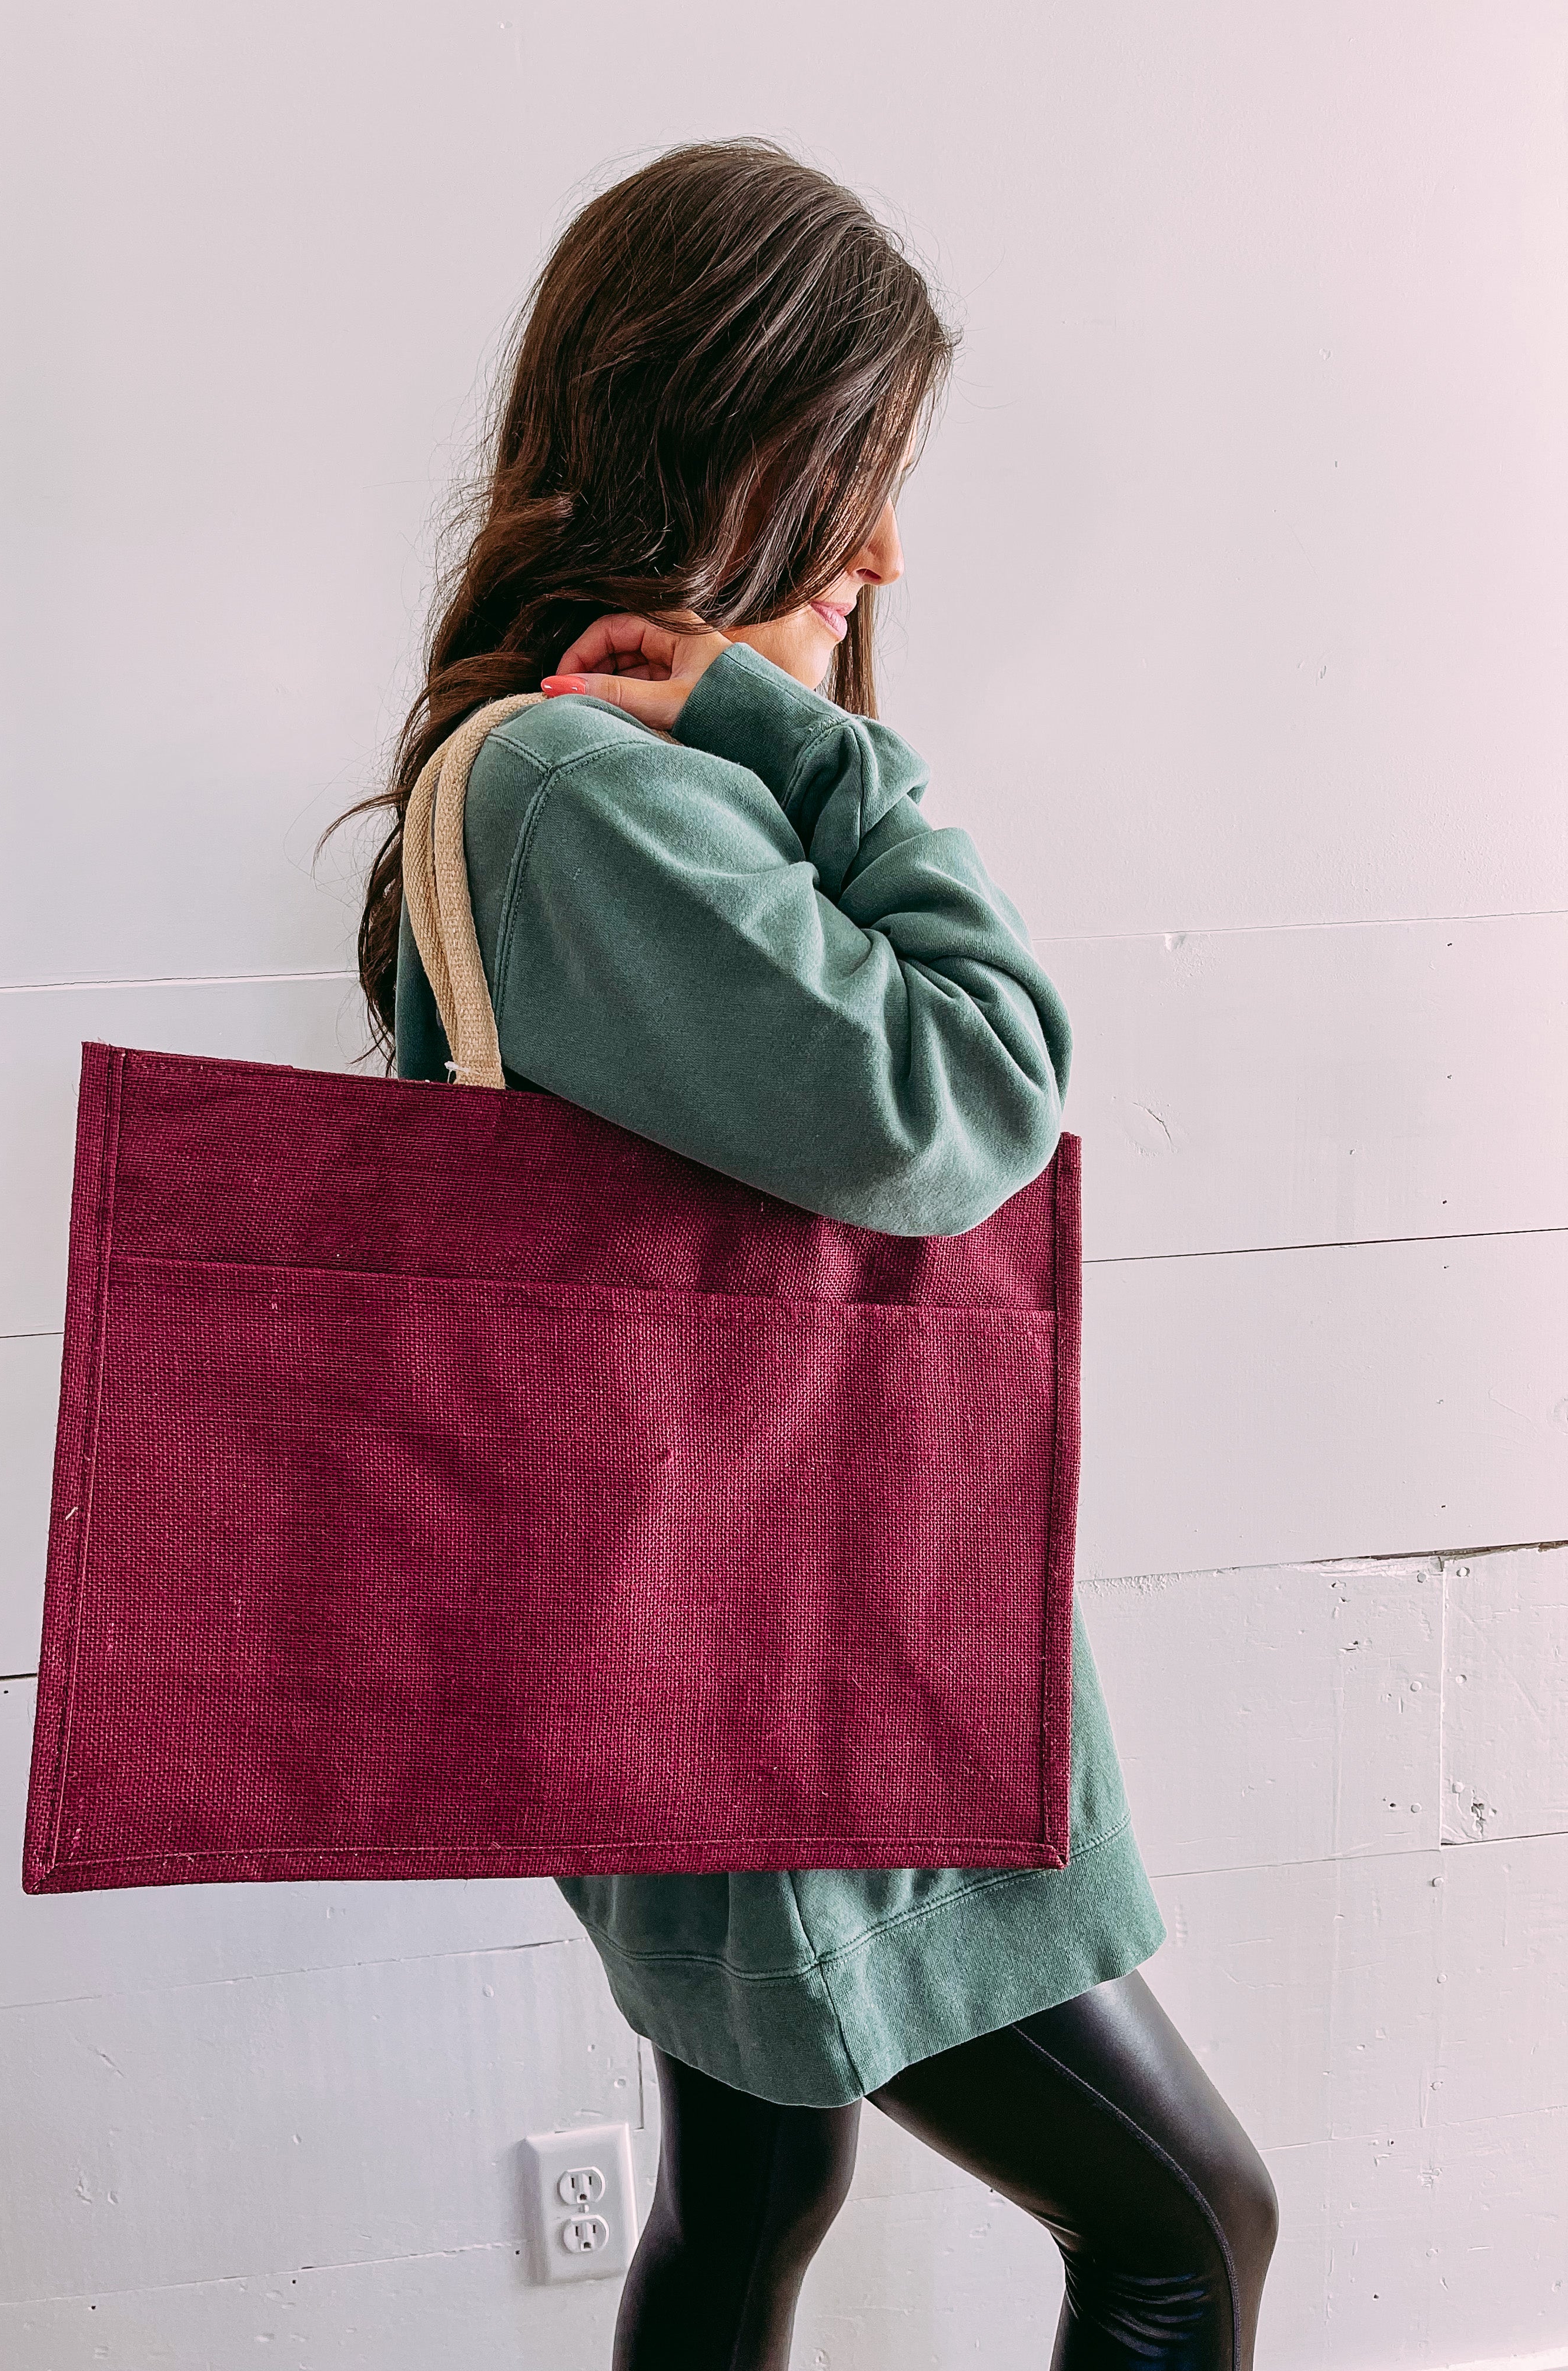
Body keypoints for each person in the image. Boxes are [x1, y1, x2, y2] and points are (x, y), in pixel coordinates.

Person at [337, 137, 1278, 2371]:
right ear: (705, 432)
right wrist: (826, 755)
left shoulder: (588, 776)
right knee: (1190, 2230)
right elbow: (970, 1100)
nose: (878, 546)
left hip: (748, 1656)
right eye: (848, 466)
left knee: (754, 2197)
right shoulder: (594, 793)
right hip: (802, 1700)